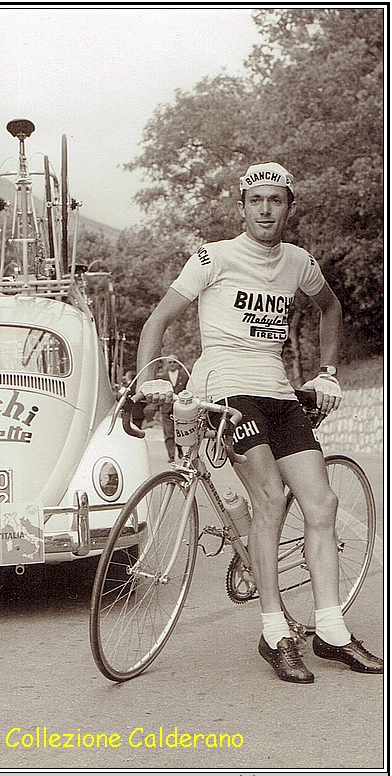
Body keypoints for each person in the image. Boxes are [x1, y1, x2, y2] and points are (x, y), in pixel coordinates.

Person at [136, 162, 383, 683]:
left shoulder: (298, 262)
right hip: (226, 387)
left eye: (277, 200)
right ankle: (275, 633)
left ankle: (332, 631)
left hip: (276, 390)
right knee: (270, 498)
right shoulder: (213, 257)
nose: (266, 210)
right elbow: (158, 321)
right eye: (256, 201)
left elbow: (330, 308)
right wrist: (148, 382)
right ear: (242, 207)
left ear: (289, 206)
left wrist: (328, 373)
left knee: (323, 502)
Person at [159, 356, 189, 461]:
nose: (172, 364)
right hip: (166, 409)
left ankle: (180, 450)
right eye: (170, 362)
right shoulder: (163, 377)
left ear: (178, 364)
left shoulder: (184, 376)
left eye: (174, 362)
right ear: (167, 364)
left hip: (179, 408)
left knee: (179, 431)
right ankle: (171, 456)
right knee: (168, 433)